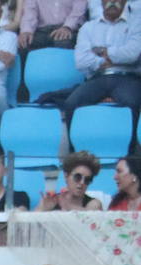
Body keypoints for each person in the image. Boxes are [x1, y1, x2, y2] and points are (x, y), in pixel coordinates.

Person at [63, 0, 141, 128]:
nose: (112, 2)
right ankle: (75, 147)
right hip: (98, 78)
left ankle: (130, 147)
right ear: (101, 2)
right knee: (71, 103)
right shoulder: (88, 27)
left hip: (127, 78)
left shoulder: (136, 24)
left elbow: (132, 54)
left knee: (133, 103)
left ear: (125, 1)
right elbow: (81, 61)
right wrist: (103, 61)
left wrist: (103, 51)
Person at [35, 150, 103, 211]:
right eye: (77, 177)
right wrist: (42, 210)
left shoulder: (93, 204)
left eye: (87, 180)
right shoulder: (50, 201)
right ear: (66, 176)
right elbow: (31, 222)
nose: (82, 182)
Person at [17, 0, 84, 53]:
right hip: (42, 31)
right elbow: (30, 12)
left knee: (62, 42)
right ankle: (25, 70)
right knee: (24, 43)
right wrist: (27, 31)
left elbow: (78, 11)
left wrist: (67, 27)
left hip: (68, 28)